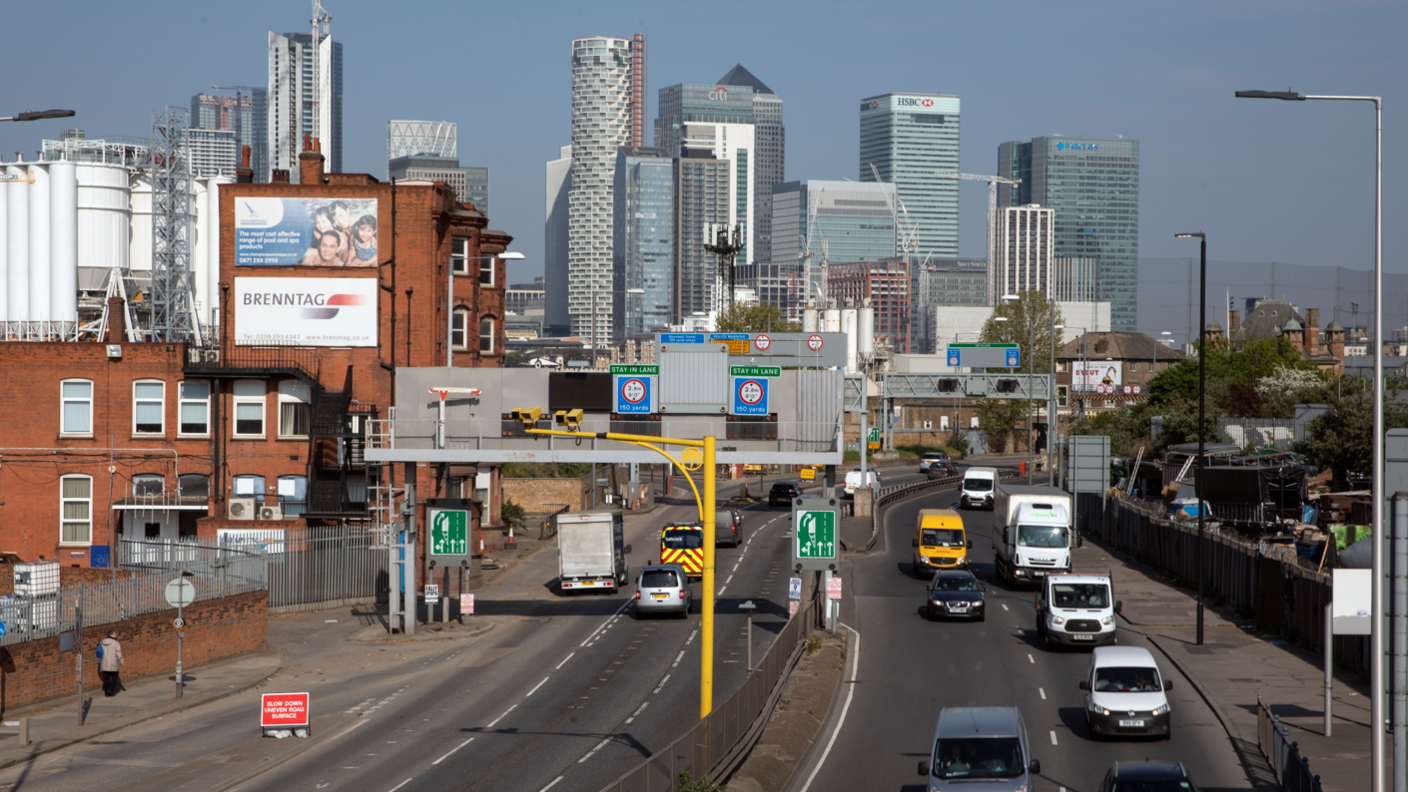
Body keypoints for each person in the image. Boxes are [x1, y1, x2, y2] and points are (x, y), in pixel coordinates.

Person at [99, 630, 124, 697]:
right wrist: (122, 661)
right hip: (113, 662)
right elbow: (119, 653)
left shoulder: (102, 642)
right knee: (115, 676)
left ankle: (106, 692)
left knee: (106, 677)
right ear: (112, 635)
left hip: (104, 662)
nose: (116, 635)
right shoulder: (116, 643)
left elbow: (99, 651)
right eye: (115, 634)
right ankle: (111, 689)